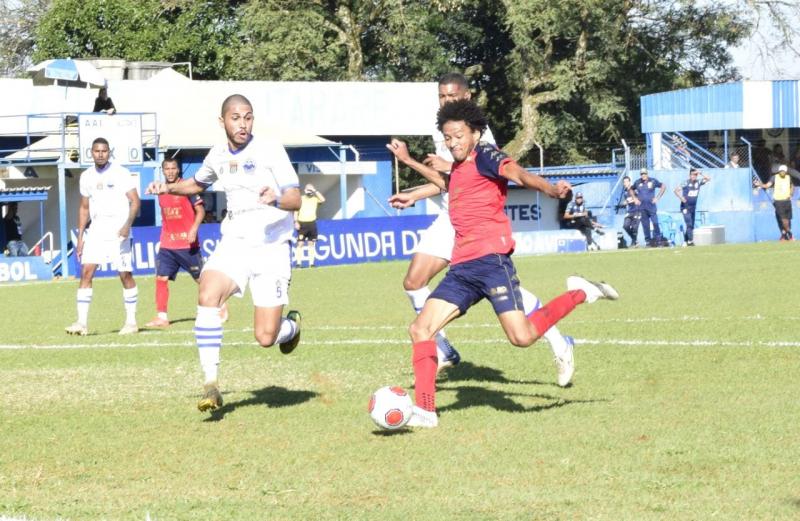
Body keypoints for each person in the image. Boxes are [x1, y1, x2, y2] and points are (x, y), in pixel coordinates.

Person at [393, 99, 618, 428]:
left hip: (491, 262)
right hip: (462, 268)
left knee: (522, 338)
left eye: (458, 136)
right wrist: (409, 164)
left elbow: (518, 174)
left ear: (475, 133)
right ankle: (426, 411)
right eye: (447, 137)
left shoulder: (486, 155)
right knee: (420, 329)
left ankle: (580, 293)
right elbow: (447, 185)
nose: (452, 142)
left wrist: (550, 190)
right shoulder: (459, 167)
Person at [387, 73, 577, 387]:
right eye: (442, 96)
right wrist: (415, 193)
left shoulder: (479, 136)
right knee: (414, 280)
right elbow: (452, 183)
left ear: (469, 96)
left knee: (497, 289)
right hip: (451, 215)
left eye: (453, 95)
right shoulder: (447, 128)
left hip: (474, 222)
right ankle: (440, 347)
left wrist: (551, 189)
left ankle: (558, 340)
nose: (447, 101)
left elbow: (484, 175)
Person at [146, 94, 303, 413]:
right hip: (235, 240)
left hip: (272, 245)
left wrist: (275, 200)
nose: (243, 124)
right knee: (207, 292)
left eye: (248, 117)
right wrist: (168, 188)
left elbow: (295, 198)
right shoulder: (217, 154)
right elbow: (197, 184)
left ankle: (292, 327)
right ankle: (211, 384)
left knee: (265, 337)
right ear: (223, 122)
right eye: (236, 117)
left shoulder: (270, 149)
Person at [65, 137, 140, 336]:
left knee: (124, 274)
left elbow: (135, 202)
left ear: (109, 152)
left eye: (104, 151)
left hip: (119, 231)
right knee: (86, 272)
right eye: (97, 151)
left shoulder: (121, 173)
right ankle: (81, 323)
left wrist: (127, 225)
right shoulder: (86, 176)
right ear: (91, 153)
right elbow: (84, 207)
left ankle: (131, 322)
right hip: (96, 230)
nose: (100, 154)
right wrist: (81, 237)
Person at [145, 158, 228, 328]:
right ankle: (162, 317)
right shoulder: (161, 190)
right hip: (168, 244)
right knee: (161, 278)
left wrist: (194, 229)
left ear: (178, 171)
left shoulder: (186, 188)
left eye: (173, 168)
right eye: (166, 168)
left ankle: (220, 305)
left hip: (187, 244)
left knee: (201, 280)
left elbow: (200, 210)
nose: (170, 171)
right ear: (163, 171)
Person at [754, 164, 796, 241]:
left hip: (787, 201)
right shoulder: (774, 177)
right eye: (781, 171)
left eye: (784, 171)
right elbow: (767, 185)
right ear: (779, 171)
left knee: (787, 219)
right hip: (779, 201)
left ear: (786, 172)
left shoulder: (788, 178)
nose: (783, 172)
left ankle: (784, 235)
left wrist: (791, 193)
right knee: (783, 219)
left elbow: (792, 186)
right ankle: (789, 234)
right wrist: (759, 184)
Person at [674, 168, 711, 246]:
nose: (694, 176)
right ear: (690, 175)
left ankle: (685, 241)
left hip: (693, 207)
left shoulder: (698, 182)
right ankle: (690, 241)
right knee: (689, 224)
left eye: (695, 175)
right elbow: (676, 190)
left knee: (691, 225)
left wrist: (700, 173)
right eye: (692, 175)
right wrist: (681, 198)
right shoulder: (686, 183)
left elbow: (708, 178)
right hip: (685, 207)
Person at [630, 168, 666, 247]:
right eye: (642, 174)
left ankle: (659, 240)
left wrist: (657, 197)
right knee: (645, 225)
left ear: (647, 174)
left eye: (644, 174)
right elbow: (631, 189)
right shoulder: (637, 182)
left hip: (651, 207)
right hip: (642, 207)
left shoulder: (652, 181)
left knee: (655, 223)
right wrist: (635, 198)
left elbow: (663, 186)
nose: (643, 175)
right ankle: (648, 242)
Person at [294, 183, 325, 268]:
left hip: (312, 224)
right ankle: (298, 263)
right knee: (300, 243)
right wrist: (295, 222)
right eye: (308, 189)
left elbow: (323, 200)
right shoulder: (301, 199)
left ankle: (311, 263)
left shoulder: (315, 199)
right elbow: (296, 211)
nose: (309, 191)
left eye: (311, 190)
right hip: (302, 224)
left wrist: (315, 190)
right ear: (305, 190)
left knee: (311, 243)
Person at [620, 176, 641, 247]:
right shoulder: (625, 192)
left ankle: (633, 242)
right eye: (624, 182)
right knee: (625, 226)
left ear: (629, 182)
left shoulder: (634, 189)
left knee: (635, 227)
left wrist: (633, 200)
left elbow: (639, 198)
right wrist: (625, 202)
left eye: (626, 181)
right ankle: (635, 240)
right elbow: (628, 200)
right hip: (630, 211)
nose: (625, 183)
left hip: (637, 210)